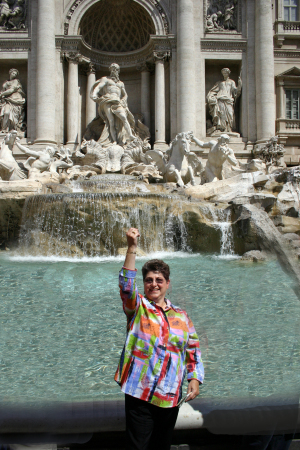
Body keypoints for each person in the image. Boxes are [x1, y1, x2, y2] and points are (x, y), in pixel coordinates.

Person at [115, 228, 204, 450]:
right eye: (149, 280)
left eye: (159, 280)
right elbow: (126, 287)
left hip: (170, 394)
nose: (154, 284)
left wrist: (194, 379)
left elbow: (193, 350)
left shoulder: (181, 316)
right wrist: (132, 248)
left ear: (167, 283)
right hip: (140, 393)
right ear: (144, 284)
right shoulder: (138, 308)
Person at [90, 63, 135, 147]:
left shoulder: (121, 83)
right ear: (110, 70)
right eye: (113, 69)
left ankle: (130, 135)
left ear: (118, 71)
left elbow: (125, 94)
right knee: (111, 121)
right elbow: (99, 87)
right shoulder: (106, 79)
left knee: (124, 117)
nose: (114, 71)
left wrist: (123, 100)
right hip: (107, 100)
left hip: (117, 101)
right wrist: (94, 94)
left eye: (116, 69)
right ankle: (114, 140)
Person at [207, 68, 242, 134]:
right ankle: (222, 129)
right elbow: (212, 91)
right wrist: (211, 97)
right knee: (221, 114)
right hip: (220, 99)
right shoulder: (219, 83)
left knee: (230, 113)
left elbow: (236, 92)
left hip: (229, 100)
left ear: (228, 73)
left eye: (226, 73)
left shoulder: (232, 82)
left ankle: (229, 129)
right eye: (223, 73)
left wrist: (239, 84)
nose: (224, 74)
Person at [0, 68, 26, 132]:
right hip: (7, 100)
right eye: (13, 73)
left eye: (15, 74)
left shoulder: (16, 81)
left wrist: (2, 94)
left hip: (15, 100)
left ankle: (12, 129)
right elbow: (3, 90)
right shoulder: (6, 82)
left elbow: (11, 90)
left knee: (13, 117)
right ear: (10, 73)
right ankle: (4, 129)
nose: (14, 75)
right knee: (6, 112)